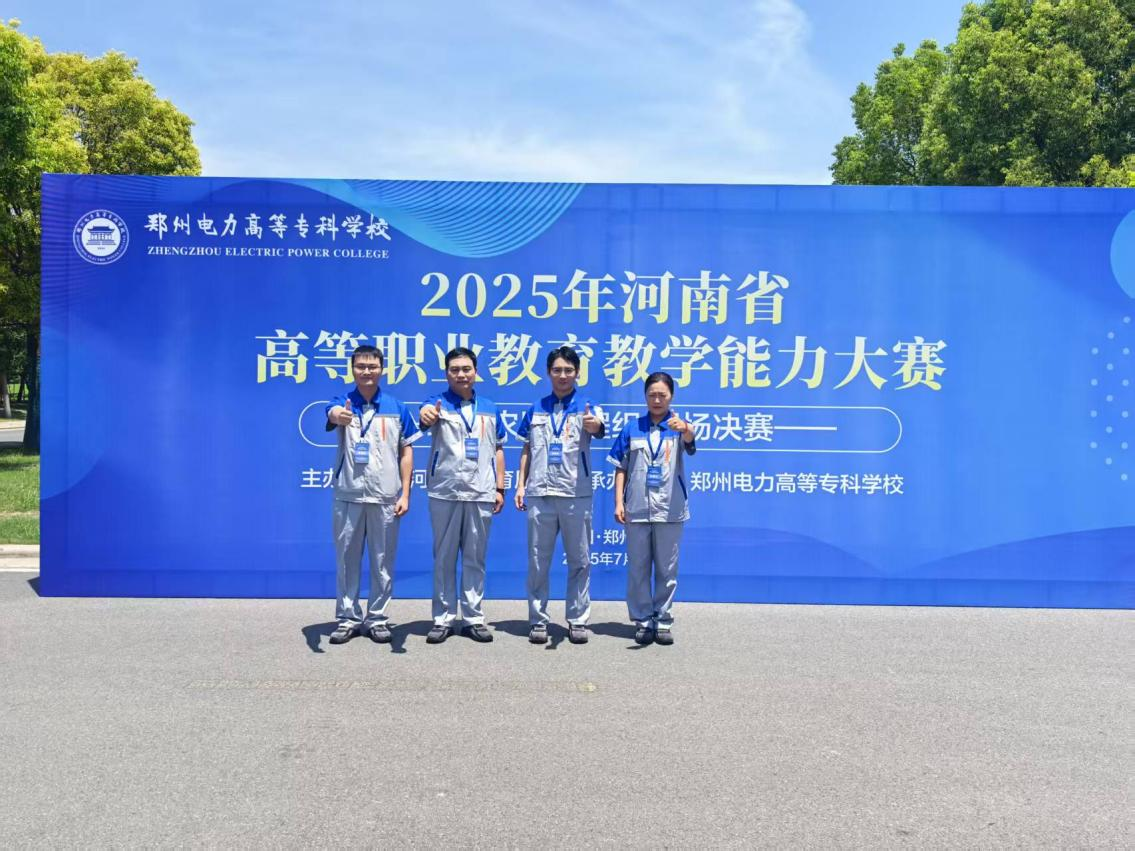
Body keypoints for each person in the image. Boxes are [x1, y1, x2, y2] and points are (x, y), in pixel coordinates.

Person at [324, 345, 419, 645]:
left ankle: (377, 618)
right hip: (348, 495)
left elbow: (407, 450)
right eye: (361, 366)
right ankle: (348, 618)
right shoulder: (342, 401)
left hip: (385, 497)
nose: (367, 371)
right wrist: (339, 415)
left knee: (382, 562)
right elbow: (332, 414)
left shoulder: (396, 407)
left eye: (372, 366)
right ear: (352, 369)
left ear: (382, 369)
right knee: (347, 560)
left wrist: (405, 493)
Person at [514, 346, 606, 645]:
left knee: (580, 560)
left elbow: (600, 429)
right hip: (540, 493)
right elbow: (527, 449)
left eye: (568, 370)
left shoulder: (588, 406)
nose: (563, 375)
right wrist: (520, 485)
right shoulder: (536, 408)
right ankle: (538, 620)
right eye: (557, 370)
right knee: (537, 561)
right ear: (548, 373)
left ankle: (577, 620)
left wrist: (595, 425)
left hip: (575, 494)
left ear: (577, 373)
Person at [418, 347, 506, 644]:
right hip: (445, 490)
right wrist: (427, 414)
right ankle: (443, 618)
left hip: (481, 490)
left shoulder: (490, 407)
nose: (461, 374)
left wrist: (500, 488)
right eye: (454, 369)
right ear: (446, 373)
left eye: (466, 369)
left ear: (476, 372)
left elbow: (498, 448)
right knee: (444, 557)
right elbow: (425, 417)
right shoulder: (437, 403)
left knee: (475, 558)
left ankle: (473, 618)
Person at [607, 372, 696, 646]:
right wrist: (619, 502)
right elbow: (620, 468)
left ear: (671, 396)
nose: (657, 400)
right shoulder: (632, 428)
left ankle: (663, 620)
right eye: (652, 395)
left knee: (667, 569)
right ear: (645, 396)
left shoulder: (678, 427)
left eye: (662, 395)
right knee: (638, 568)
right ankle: (643, 620)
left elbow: (691, 443)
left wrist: (685, 428)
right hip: (637, 508)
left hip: (670, 509)